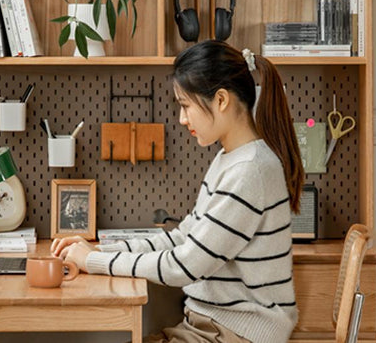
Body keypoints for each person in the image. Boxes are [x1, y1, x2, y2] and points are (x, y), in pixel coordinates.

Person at [52, 40, 305, 343]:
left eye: (185, 105)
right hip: (212, 327)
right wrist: (97, 251)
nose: (182, 119)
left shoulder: (250, 170)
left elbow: (185, 264)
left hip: (234, 334)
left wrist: (92, 262)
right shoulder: (231, 158)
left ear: (221, 100)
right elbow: (184, 236)